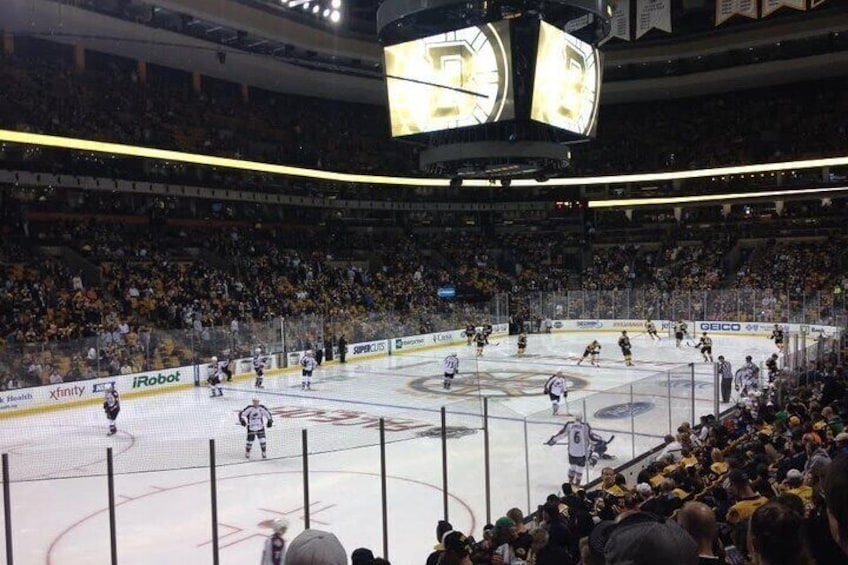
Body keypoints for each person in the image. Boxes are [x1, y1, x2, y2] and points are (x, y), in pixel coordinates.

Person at [546, 413, 601, 487]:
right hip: (582, 453)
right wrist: (599, 442)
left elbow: (561, 434)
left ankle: (570, 482)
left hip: (572, 452)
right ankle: (577, 485)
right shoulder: (585, 426)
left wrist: (553, 440)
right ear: (582, 418)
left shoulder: (569, 425)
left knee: (572, 467)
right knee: (580, 469)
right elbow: (591, 439)